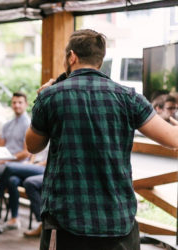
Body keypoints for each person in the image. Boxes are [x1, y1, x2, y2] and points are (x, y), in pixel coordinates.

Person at [25, 29, 178, 250]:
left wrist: (40, 100)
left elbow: (32, 145)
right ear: (100, 59)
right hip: (117, 223)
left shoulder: (51, 96)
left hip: (66, 221)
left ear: (72, 56)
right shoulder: (129, 98)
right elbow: (173, 139)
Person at [0, 147, 48, 232]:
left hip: (42, 168)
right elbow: (31, 153)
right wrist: (28, 163)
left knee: (9, 168)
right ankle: (14, 219)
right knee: (12, 180)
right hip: (30, 165)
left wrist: (31, 165)